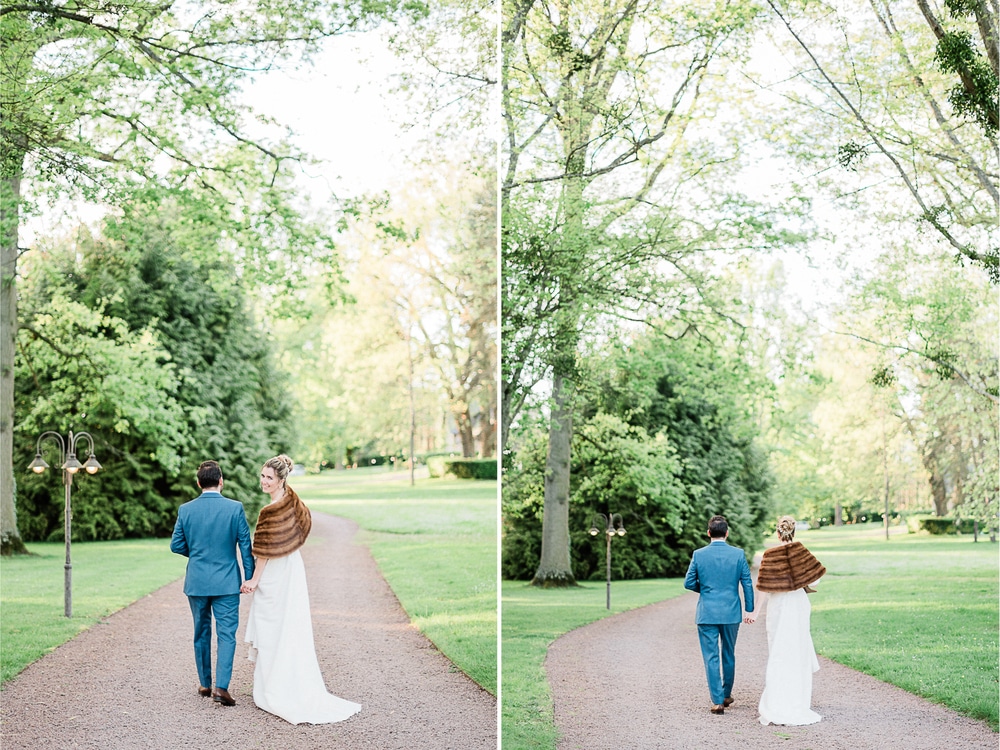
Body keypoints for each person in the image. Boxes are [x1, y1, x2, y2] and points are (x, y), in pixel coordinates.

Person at [241, 455, 362, 725]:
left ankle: (275, 688)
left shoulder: (269, 511)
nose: (263, 481)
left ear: (281, 480)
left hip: (276, 572)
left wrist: (254, 580)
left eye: (269, 477)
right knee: (287, 624)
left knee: (273, 624)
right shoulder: (293, 500)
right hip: (292, 566)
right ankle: (282, 682)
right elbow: (305, 524)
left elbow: (263, 550)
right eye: (262, 475)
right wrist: (290, 546)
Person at [170, 460, 255, 706]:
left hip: (196, 581)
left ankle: (205, 683)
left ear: (198, 483)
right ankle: (221, 687)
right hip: (227, 582)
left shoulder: (186, 510)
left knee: (201, 632)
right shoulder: (235, 508)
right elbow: (245, 546)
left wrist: (197, 555)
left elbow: (176, 545)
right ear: (221, 481)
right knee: (226, 634)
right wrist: (249, 577)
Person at [748, 515, 826, 726]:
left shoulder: (770, 555)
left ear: (777, 532)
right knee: (797, 649)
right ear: (793, 531)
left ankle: (778, 700)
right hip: (798, 603)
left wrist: (755, 612)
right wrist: (799, 576)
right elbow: (816, 577)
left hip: (779, 605)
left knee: (779, 649)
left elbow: (763, 586)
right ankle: (798, 701)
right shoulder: (800, 550)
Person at [684, 515, 756, 715]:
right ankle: (726, 694)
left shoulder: (699, 555)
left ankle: (717, 702)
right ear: (727, 533)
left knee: (711, 657)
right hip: (731, 613)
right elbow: (747, 583)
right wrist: (749, 609)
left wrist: (705, 590)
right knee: (728, 653)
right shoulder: (738, 554)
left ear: (708, 533)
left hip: (707, 613)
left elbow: (688, 583)